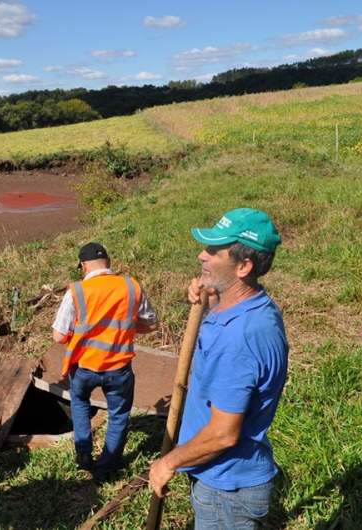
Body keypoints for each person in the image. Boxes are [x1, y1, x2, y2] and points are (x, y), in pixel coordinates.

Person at [148, 208, 289, 529]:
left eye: (214, 251)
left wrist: (168, 463)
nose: (202, 255)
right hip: (222, 478)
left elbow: (224, 434)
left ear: (244, 266)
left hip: (229, 490)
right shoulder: (246, 307)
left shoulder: (241, 338)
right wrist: (209, 300)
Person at [52, 242, 159, 482]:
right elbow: (152, 324)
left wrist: (81, 334)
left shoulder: (77, 291)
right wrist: (126, 328)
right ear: (108, 263)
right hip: (119, 368)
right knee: (119, 415)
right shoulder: (131, 287)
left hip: (84, 367)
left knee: (79, 403)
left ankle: (84, 453)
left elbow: (59, 336)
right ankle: (106, 468)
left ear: (83, 266)